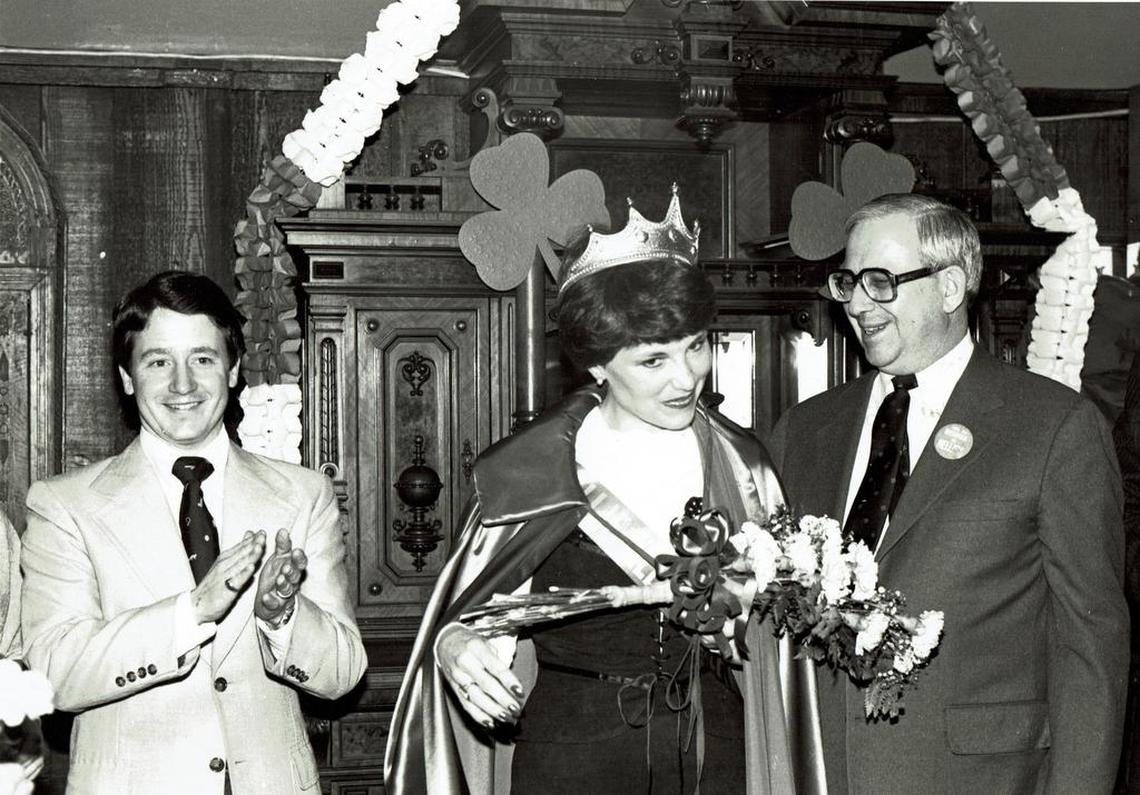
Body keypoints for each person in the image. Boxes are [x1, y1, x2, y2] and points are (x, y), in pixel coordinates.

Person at [385, 188, 824, 794]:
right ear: (597, 365)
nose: (685, 378)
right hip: (573, 760)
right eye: (653, 361)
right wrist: (456, 643)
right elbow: (471, 615)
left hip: (716, 755)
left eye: (695, 347)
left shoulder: (745, 463)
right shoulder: (530, 469)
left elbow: (783, 646)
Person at [768, 193, 1130, 793]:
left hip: (982, 776)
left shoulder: (1051, 426)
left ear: (950, 285)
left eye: (880, 281)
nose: (857, 304)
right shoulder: (805, 430)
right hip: (825, 770)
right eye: (848, 282)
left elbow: (1090, 647)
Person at [20, 271, 367, 794]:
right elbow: (54, 672)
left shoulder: (302, 495)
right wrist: (191, 613)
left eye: (202, 359)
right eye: (159, 361)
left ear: (231, 371)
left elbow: (343, 672)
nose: (182, 385)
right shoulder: (64, 505)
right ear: (127, 376)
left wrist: (283, 617)